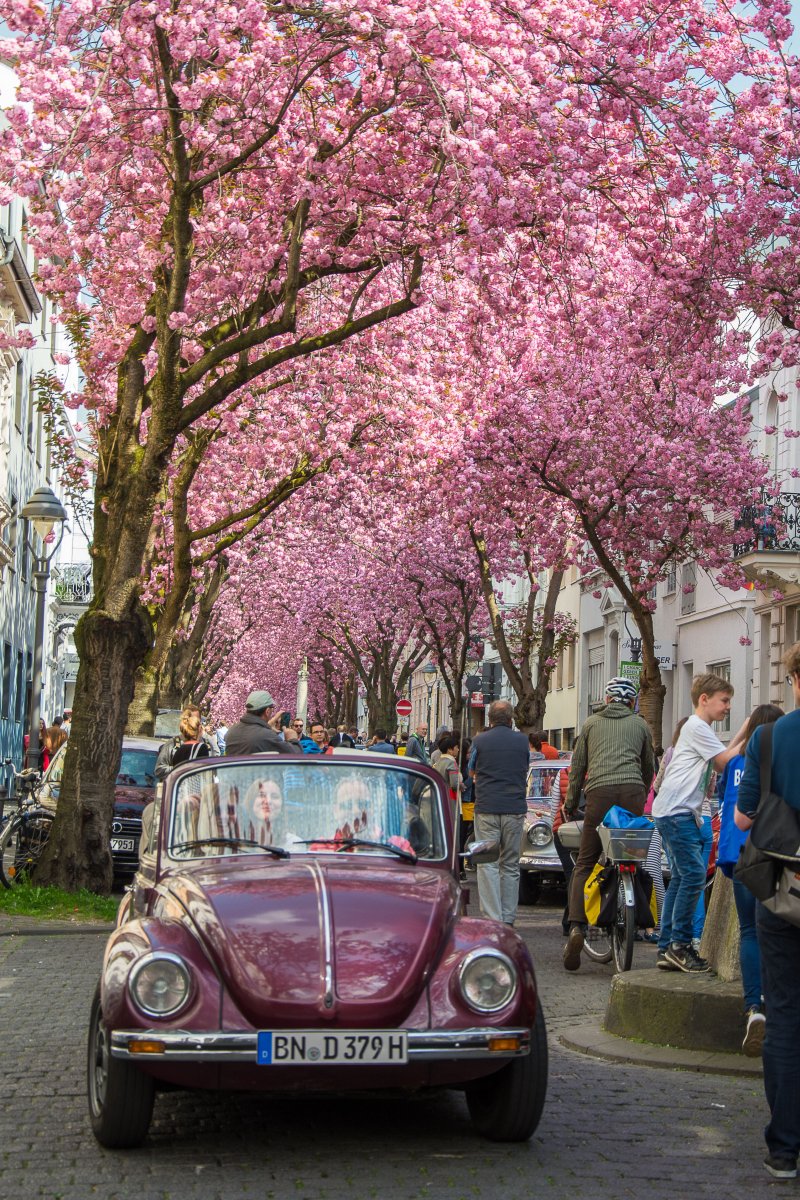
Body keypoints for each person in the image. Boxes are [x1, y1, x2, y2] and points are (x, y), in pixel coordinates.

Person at [735, 644, 800, 1180]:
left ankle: (784, 1148)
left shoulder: (769, 736)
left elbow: (741, 817)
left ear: (795, 679)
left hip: (784, 892)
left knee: (783, 1014)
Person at [653, 673, 747, 973]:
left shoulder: (697, 728)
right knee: (693, 875)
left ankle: (667, 946)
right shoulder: (697, 727)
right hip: (678, 811)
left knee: (681, 878)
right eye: (724, 700)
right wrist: (749, 730)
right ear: (704, 699)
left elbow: (722, 756)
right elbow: (725, 762)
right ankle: (680, 946)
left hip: (672, 810)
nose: (727, 707)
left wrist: (741, 734)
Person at [562, 677, 655, 971]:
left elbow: (577, 770)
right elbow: (649, 766)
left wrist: (568, 804)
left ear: (606, 699)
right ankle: (632, 916)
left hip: (599, 794)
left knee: (585, 863)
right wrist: (642, 790)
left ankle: (576, 926)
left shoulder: (591, 724)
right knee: (631, 856)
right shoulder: (641, 725)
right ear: (631, 702)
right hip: (633, 793)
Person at [716, 703, 783, 1056]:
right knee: (779, 931)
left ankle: (753, 1007)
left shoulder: (737, 762)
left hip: (739, 856)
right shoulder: (780, 758)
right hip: (776, 855)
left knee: (750, 932)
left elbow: (721, 761)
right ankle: (776, 1003)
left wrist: (742, 729)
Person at [469, 700, 529, 925]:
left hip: (487, 807)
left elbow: (471, 769)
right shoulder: (522, 741)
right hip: (514, 807)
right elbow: (524, 765)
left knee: (488, 863)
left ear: (490, 720)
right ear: (511, 719)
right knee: (511, 863)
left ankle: (493, 918)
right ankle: (508, 917)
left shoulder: (480, 741)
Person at [224, 690, 300, 756]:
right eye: (272, 709)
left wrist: (266, 727)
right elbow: (296, 755)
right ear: (267, 711)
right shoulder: (266, 735)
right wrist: (292, 738)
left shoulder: (232, 731)